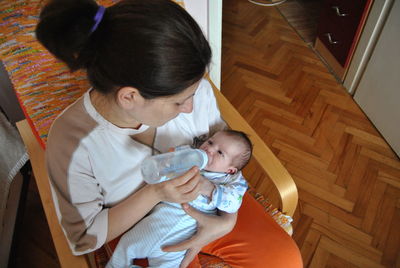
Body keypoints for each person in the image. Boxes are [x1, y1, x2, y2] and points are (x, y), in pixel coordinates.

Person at [36, 0, 303, 267]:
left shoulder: (192, 91)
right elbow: (84, 237)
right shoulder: (72, 144)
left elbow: (228, 153)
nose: (190, 107)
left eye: (193, 94)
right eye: (179, 102)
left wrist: (223, 223)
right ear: (130, 97)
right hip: (143, 228)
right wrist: (156, 193)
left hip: (210, 204)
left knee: (285, 260)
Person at [107, 130, 252, 268]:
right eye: (210, 142)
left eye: (220, 152)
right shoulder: (188, 154)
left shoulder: (232, 181)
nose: (209, 149)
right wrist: (172, 161)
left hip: (182, 236)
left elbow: (233, 203)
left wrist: (210, 188)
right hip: (157, 221)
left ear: (230, 170)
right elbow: (167, 164)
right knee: (126, 246)